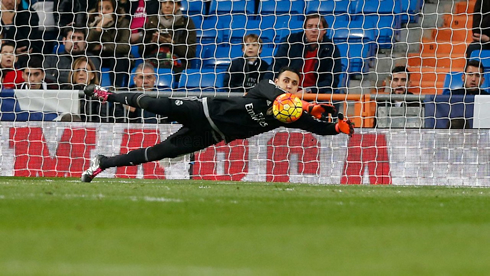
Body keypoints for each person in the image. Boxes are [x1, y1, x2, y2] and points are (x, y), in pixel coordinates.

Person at [80, 67, 354, 182]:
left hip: (210, 134)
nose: (290, 86)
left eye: (295, 84)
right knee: (156, 103)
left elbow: (316, 126)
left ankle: (103, 163)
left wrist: (337, 128)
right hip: (203, 110)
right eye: (287, 81)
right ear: (278, 80)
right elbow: (281, 99)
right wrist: (310, 106)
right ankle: (108, 95)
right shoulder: (267, 87)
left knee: (158, 153)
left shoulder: (293, 114)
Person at [264, 13, 342, 94]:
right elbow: (275, 66)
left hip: (315, 93)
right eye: (310, 26)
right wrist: (268, 86)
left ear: (324, 30)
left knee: (328, 96)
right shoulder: (291, 41)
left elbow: (332, 80)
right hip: (287, 88)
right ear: (305, 29)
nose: (314, 30)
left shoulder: (331, 48)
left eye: (318, 27)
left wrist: (309, 90)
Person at [139, 0, 196, 73]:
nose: (167, 6)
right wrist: (152, 42)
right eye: (164, 2)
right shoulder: (151, 21)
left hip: (177, 66)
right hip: (152, 64)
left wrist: (172, 43)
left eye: (171, 3)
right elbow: (141, 51)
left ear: (178, 6)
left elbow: (190, 53)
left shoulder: (186, 23)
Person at [87, 0, 130, 87]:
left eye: (108, 8)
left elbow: (125, 46)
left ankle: (115, 89)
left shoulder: (123, 22)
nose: (103, 11)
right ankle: (92, 88)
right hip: (98, 56)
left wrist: (103, 47)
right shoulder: (91, 22)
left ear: (114, 10)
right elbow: (88, 45)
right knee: (90, 56)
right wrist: (98, 27)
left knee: (118, 57)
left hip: (116, 56)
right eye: (100, 8)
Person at [0, 0, 42, 67]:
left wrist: (9, 24)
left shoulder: (29, 14)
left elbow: (26, 44)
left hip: (24, 56)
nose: (10, 1)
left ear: (19, 1)